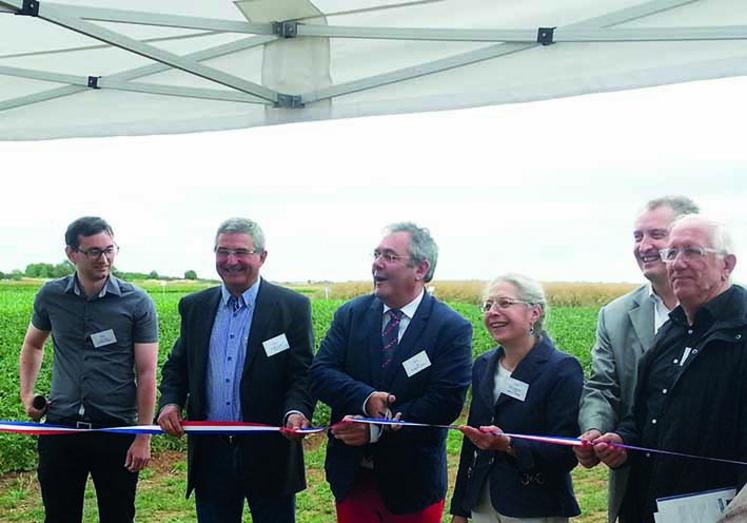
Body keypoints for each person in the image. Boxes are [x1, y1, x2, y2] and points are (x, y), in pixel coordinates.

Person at [310, 222, 473, 523]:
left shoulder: (450, 327)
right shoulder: (351, 314)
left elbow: (446, 401)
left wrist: (375, 428)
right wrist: (367, 398)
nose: (377, 264)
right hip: (352, 478)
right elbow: (320, 372)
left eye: (389, 256)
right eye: (376, 254)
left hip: (412, 484)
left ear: (420, 269)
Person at [157, 217, 314, 523]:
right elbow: (177, 367)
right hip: (211, 455)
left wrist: (295, 411)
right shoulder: (195, 306)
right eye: (222, 251)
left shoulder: (291, 307)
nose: (231, 261)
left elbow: (302, 373)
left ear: (262, 257)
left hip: (270, 453)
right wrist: (171, 402)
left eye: (241, 252)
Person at [593, 214, 746, 523]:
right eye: (671, 252)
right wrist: (623, 442)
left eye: (692, 252)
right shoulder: (670, 333)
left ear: (727, 265)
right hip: (647, 506)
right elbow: (642, 417)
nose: (677, 263)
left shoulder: (741, 330)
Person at [18, 216, 159, 523]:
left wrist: (143, 435)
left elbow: (147, 372)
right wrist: (27, 394)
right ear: (72, 254)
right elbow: (33, 345)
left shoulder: (136, 302)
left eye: (110, 249)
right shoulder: (51, 296)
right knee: (59, 515)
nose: (104, 259)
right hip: (61, 426)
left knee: (118, 515)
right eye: (94, 251)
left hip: (116, 429)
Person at [575, 195, 699, 522]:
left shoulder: (729, 313)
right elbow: (602, 386)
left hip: (705, 483)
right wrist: (594, 430)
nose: (644, 246)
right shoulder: (614, 315)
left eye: (656, 235)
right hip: (635, 482)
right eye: (637, 236)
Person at [451, 274, 583, 523]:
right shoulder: (482, 365)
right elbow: (472, 445)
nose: (493, 312)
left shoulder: (562, 368)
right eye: (488, 305)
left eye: (504, 303)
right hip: (482, 503)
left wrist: (510, 445)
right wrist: (460, 509)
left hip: (535, 504)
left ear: (534, 312)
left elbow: (566, 451)